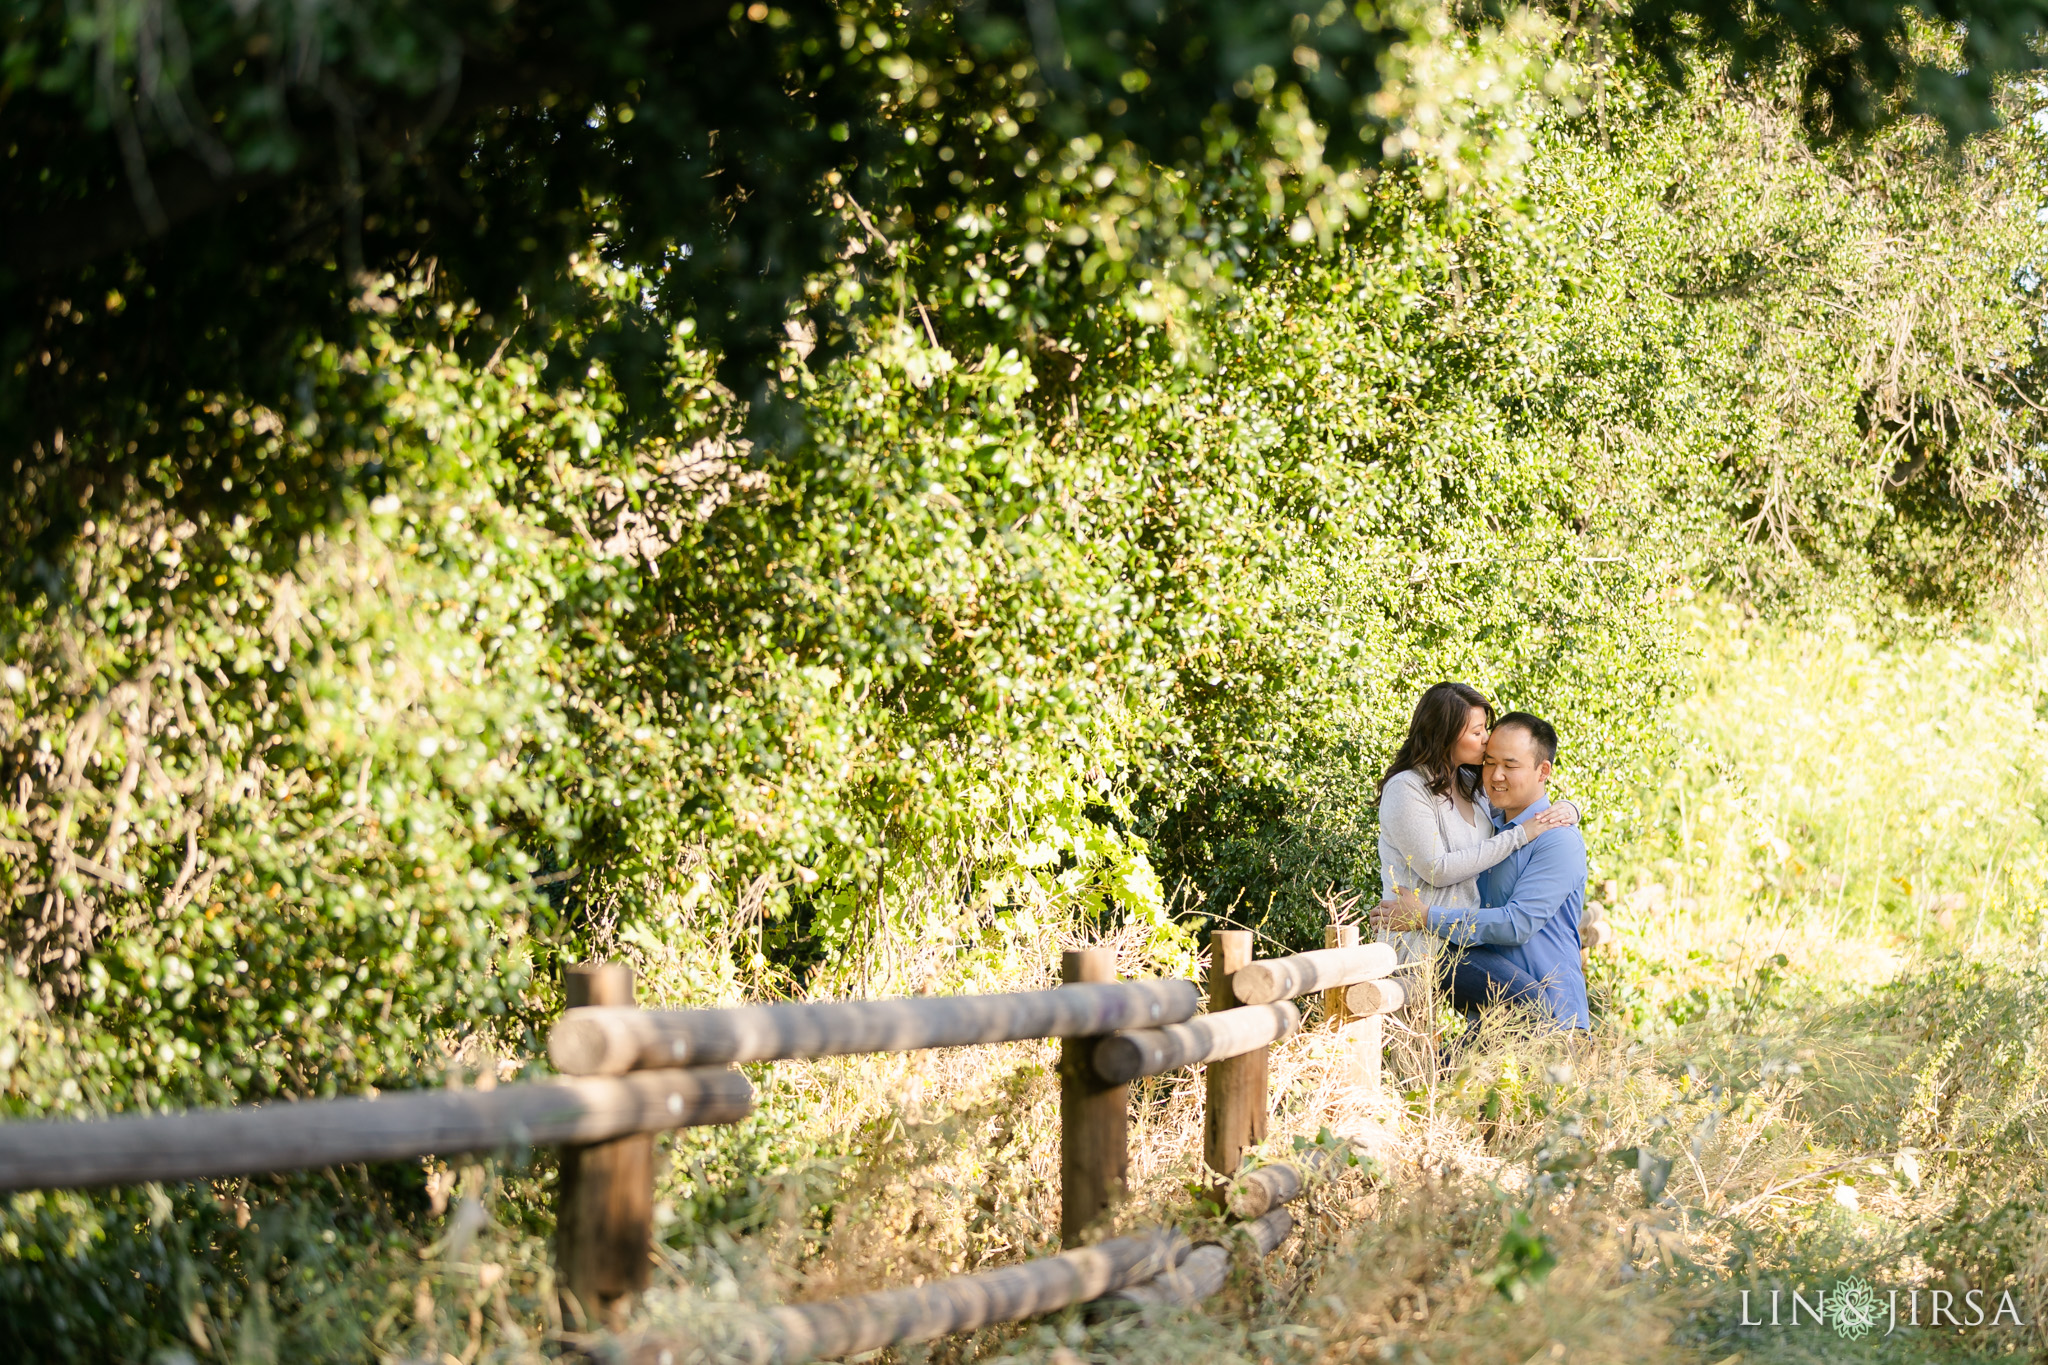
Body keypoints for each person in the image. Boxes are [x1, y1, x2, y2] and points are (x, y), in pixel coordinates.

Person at [1371, 711, 1590, 1033]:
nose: (1495, 775)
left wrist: (1425, 916)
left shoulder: (1557, 840)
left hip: (1552, 1022)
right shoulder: (1489, 828)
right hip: (1493, 1019)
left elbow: (1517, 923)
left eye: (1510, 765)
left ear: (1543, 771)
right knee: (1440, 1079)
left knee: (1441, 1077)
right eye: (1488, 762)